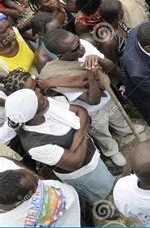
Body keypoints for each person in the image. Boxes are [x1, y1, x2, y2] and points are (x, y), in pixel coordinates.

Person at [5, 88, 116, 204]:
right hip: (83, 174)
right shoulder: (34, 145)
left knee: (105, 180)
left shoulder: (46, 105)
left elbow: (82, 111)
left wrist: (77, 139)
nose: (45, 97)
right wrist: (84, 129)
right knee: (99, 195)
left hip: (91, 155)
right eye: (40, 99)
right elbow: (76, 162)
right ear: (32, 112)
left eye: (40, 94)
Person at [42, 29, 133, 167]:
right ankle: (112, 151)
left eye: (78, 41)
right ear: (62, 55)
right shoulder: (58, 75)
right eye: (75, 48)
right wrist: (91, 76)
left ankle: (125, 130)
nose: (82, 47)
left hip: (108, 97)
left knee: (117, 117)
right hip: (92, 111)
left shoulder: (81, 45)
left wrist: (99, 60)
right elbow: (93, 100)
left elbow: (110, 67)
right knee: (102, 133)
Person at [0, 157, 81, 227]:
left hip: (74, 207)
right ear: (28, 196)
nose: (38, 178)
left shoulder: (3, 163)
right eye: (36, 184)